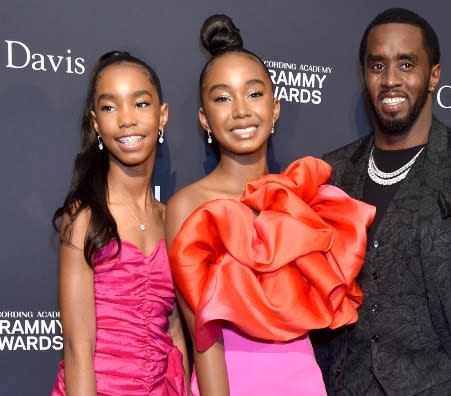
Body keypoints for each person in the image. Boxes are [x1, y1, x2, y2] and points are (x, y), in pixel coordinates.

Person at [313, 7, 451, 395]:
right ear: (364, 76)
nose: (391, 79)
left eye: (406, 64)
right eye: (377, 66)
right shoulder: (333, 172)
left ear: (434, 76)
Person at [165, 14, 375, 396]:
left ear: (275, 108)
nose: (241, 110)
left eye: (254, 93)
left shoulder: (303, 197)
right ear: (204, 119)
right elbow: (204, 337)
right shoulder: (188, 206)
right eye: (223, 98)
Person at [51, 51, 187, 395]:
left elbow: (173, 329)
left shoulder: (172, 217)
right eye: (111, 107)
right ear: (96, 123)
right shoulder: (83, 218)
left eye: (140, 104)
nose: (126, 119)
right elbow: (77, 349)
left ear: (162, 115)